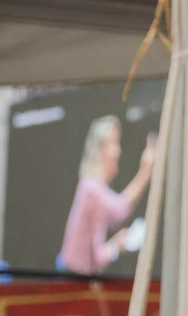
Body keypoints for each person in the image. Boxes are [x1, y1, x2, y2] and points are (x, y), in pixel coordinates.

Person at [56, 116, 154, 275]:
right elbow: (120, 209)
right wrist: (145, 171)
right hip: (72, 280)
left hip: (79, 279)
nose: (118, 151)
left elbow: (97, 258)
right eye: (114, 143)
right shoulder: (90, 187)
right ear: (100, 149)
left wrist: (116, 244)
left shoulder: (93, 187)